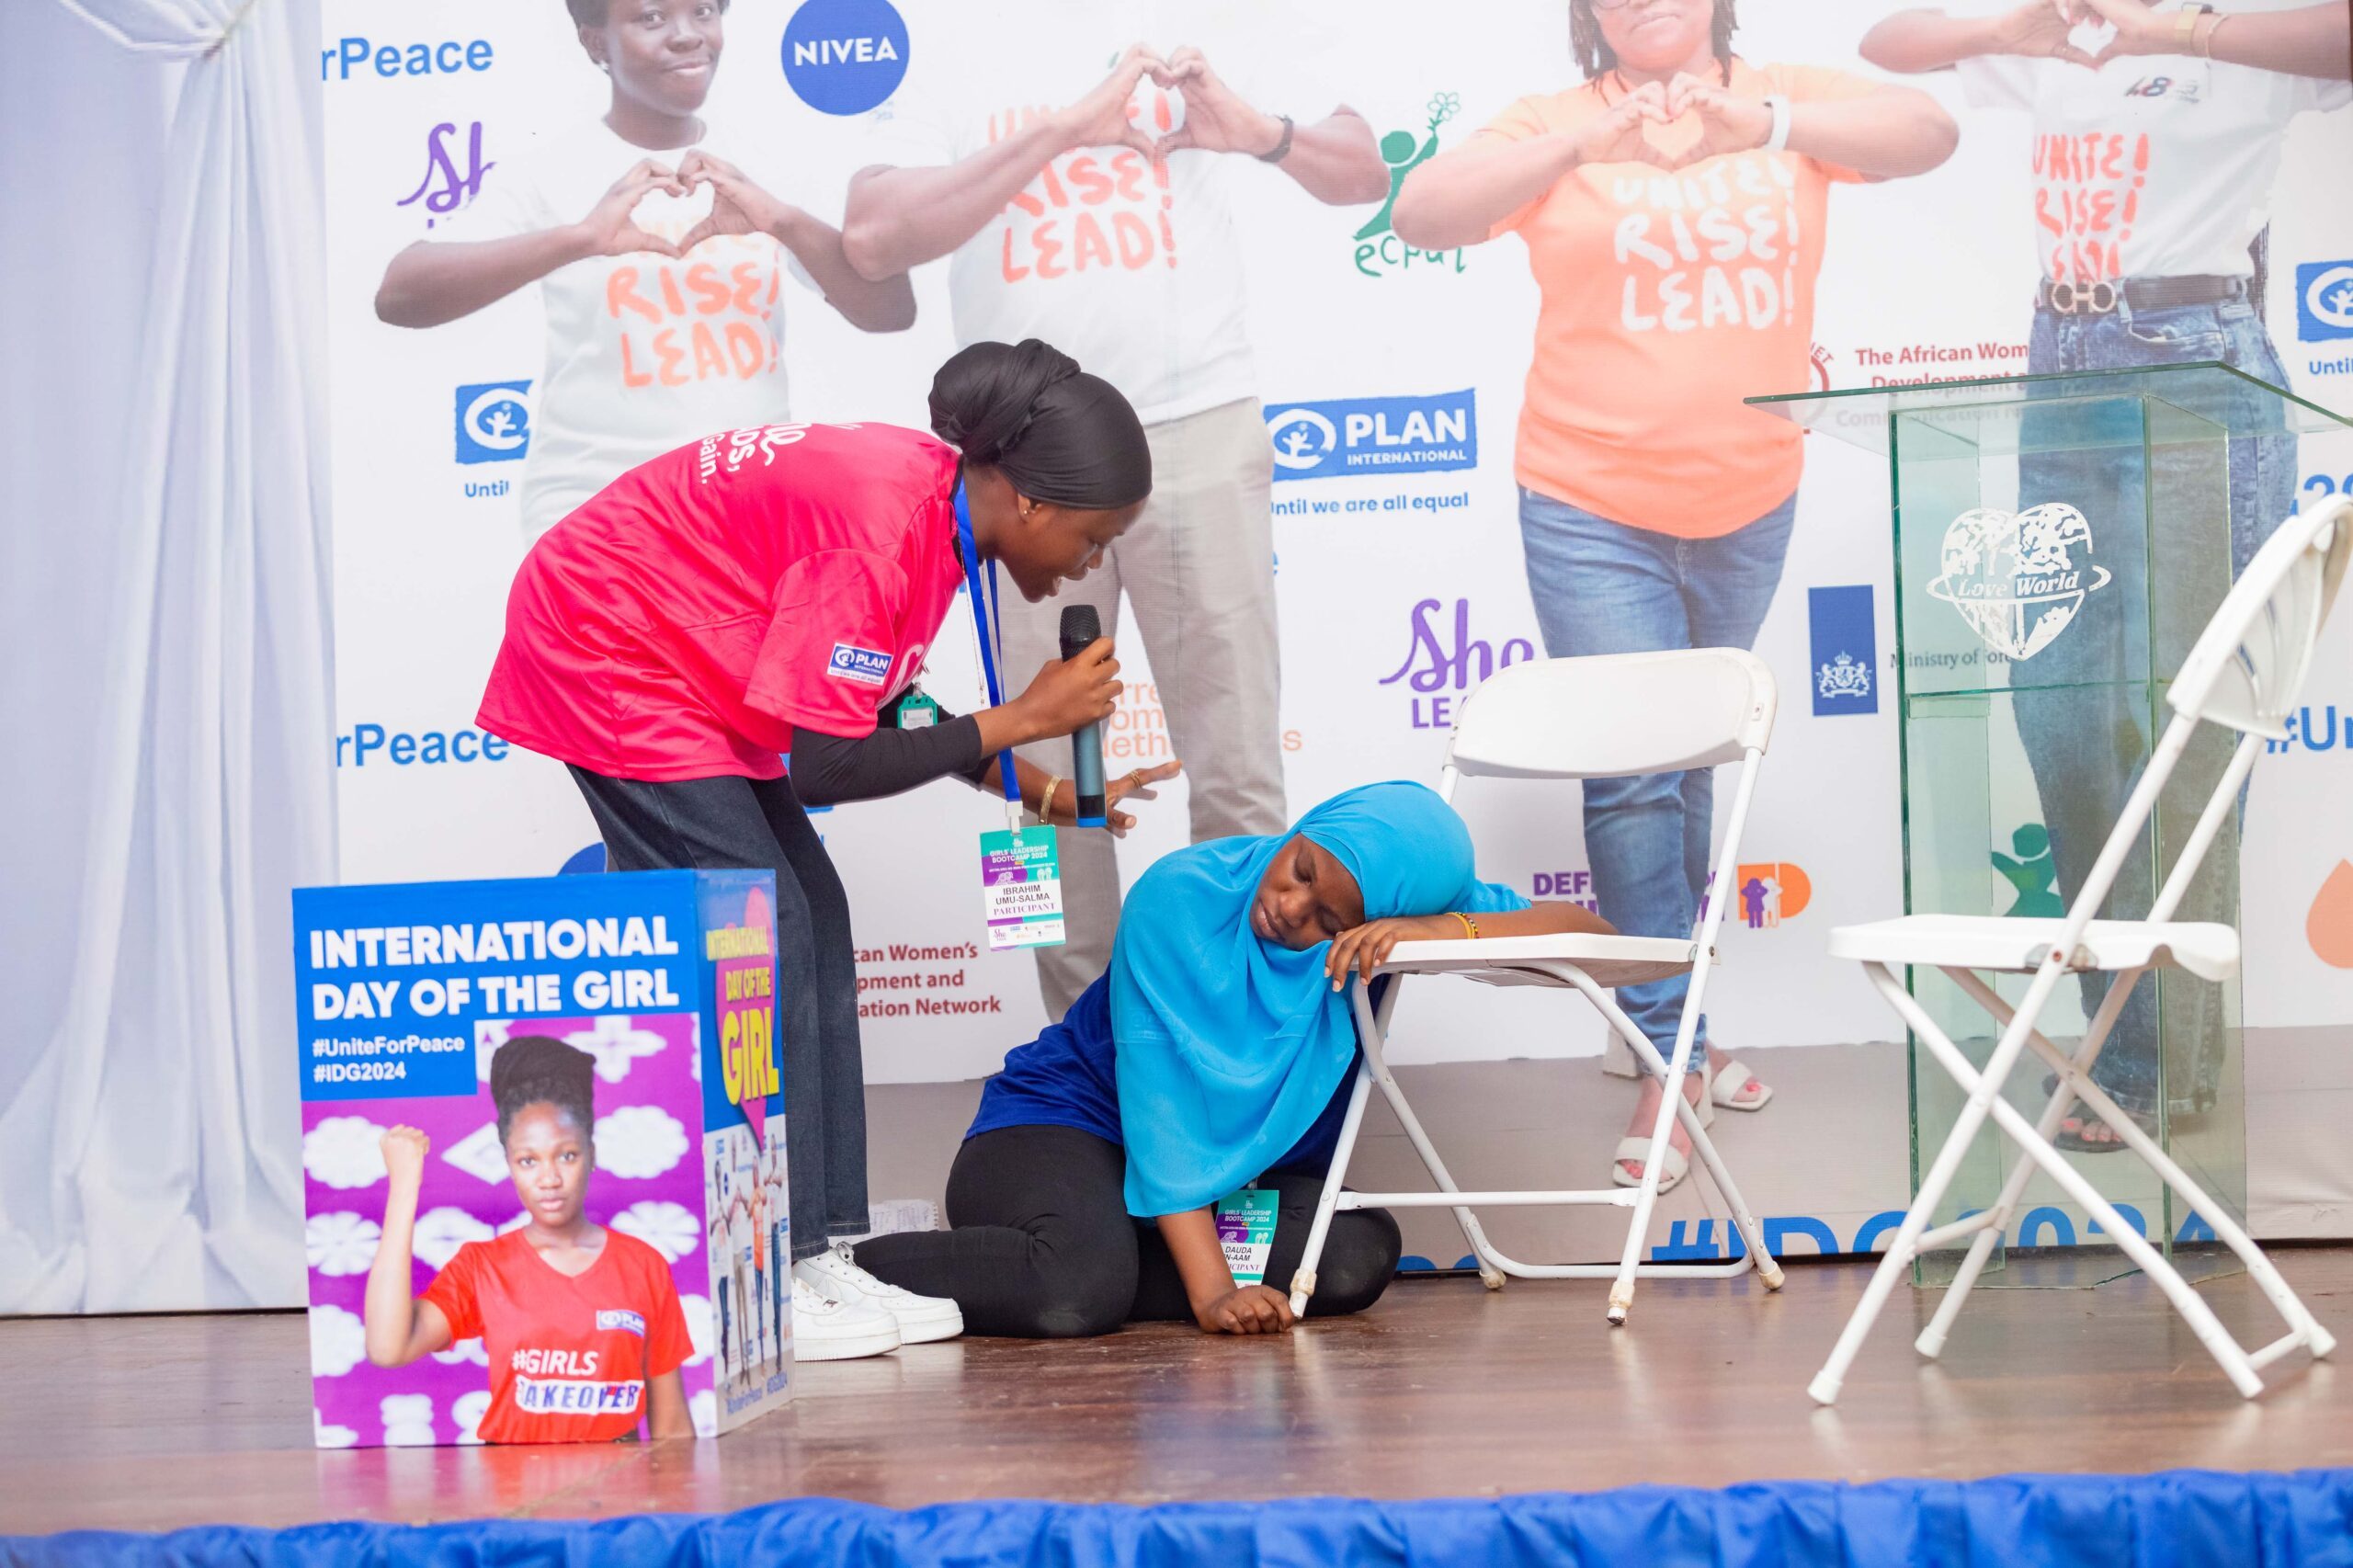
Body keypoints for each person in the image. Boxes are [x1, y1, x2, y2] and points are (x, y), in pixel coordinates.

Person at [476, 338, 1171, 1360]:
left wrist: (1034, 782)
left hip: (696, 653)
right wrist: (1022, 717)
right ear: (1027, 500)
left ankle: (823, 1243)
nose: (1091, 559)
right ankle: (773, 1258)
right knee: (765, 931)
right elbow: (827, 766)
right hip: (609, 645)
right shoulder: (880, 532)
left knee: (815, 916)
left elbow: (884, 697)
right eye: (1092, 533)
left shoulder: (932, 515)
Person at [1389, 0, 1958, 1188]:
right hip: (1588, 496)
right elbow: (1423, 209)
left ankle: (1677, 1021)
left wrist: (1765, 122)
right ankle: (1667, 1055)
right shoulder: (1556, 121)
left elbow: (1928, 132)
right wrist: (1577, 153)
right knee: (1636, 768)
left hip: (1752, 494)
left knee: (1691, 762)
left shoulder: (1779, 100)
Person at [1859, 0, 2350, 1149]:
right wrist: (2028, 26)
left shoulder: (2234, 46)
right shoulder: (2056, 60)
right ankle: (2125, 1036)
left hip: (2200, 365)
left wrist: (2174, 31)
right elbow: (1888, 43)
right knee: (2062, 710)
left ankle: (2154, 1063)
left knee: (2193, 717)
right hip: (2061, 363)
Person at [841, 13, 1392, 1019]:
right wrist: (1064, 127)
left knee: (1236, 771)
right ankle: (1075, 1058)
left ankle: (1230, 1052)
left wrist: (1261, 133)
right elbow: (874, 241)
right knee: (1036, 781)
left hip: (1197, 427)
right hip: (1018, 465)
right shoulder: (935, 40)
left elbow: (1364, 171)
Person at [848, 783, 1615, 1337]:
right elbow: (1164, 1114)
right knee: (1075, 1294)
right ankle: (854, 1270)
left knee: (1352, 1256)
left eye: (1331, 921)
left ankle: (1098, 1248)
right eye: (1301, 872)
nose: (1288, 908)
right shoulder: (1179, 897)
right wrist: (1214, 1292)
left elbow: (1599, 938)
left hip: (1211, 1178)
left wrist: (1444, 933)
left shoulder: (1409, 912)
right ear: (1305, 831)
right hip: (1065, 1127)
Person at [374, 0, 915, 539]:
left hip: (753, 514)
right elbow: (400, 295)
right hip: (601, 521)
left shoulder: (764, 164)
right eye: (651, 17)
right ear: (595, 42)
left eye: (703, 10)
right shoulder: (548, 172)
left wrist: (781, 222)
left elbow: (890, 311)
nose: (686, 36)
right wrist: (579, 240)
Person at [362, 1038, 693, 1443]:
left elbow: (673, 1428)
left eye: (567, 1155)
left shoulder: (642, 1264)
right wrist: (404, 1186)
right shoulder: (482, 1266)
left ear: (591, 1153)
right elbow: (387, 1348)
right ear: (508, 1164)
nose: (549, 1179)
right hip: (510, 1491)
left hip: (620, 1492)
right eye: (528, 1160)